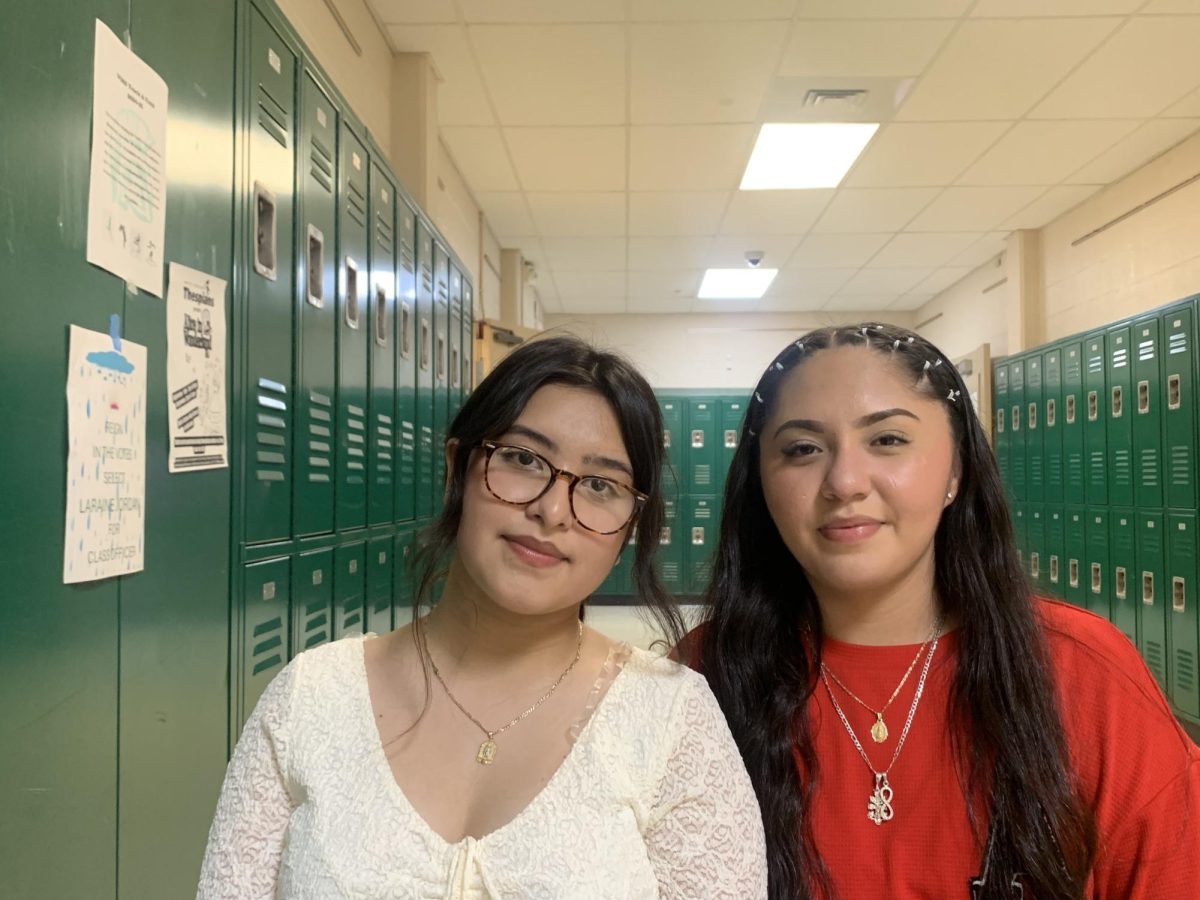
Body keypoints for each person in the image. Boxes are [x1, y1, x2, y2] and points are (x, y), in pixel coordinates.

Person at [197, 335, 767, 899]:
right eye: (522, 458)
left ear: (629, 529)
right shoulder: (309, 698)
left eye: (599, 485)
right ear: (457, 469)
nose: (550, 509)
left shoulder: (671, 718)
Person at [683, 323, 1200, 899]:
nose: (844, 482)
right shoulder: (702, 678)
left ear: (956, 471)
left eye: (887, 440)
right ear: (761, 484)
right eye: (802, 449)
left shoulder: (1080, 669)